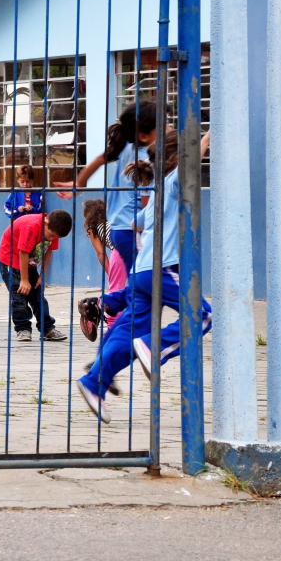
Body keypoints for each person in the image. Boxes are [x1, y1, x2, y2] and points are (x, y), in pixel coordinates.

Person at [76, 128, 212, 424]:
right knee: (202, 316)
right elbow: (190, 165)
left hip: (140, 273)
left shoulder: (157, 189)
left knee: (127, 332)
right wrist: (208, 137)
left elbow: (138, 223)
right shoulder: (174, 183)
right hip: (164, 269)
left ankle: (93, 381)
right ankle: (156, 346)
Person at [66, 101, 157, 274]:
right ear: (144, 135)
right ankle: (108, 301)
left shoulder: (128, 147)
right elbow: (147, 206)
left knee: (140, 282)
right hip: (133, 230)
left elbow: (101, 158)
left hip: (117, 228)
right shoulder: (147, 159)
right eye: (161, 126)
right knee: (146, 281)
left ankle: (113, 300)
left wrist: (80, 182)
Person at [0, 208, 72, 343]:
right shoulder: (31, 226)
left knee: (38, 295)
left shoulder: (54, 229)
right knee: (19, 295)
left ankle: (47, 329)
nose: (52, 239)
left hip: (29, 262)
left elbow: (49, 251)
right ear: (46, 223)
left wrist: (42, 275)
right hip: (10, 259)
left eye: (55, 237)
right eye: (51, 236)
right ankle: (23, 329)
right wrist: (24, 280)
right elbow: (23, 253)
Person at [78, 198, 126, 340]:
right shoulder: (112, 222)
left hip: (119, 250)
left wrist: (111, 272)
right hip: (136, 246)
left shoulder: (93, 229)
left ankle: (99, 310)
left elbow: (101, 254)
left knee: (115, 290)